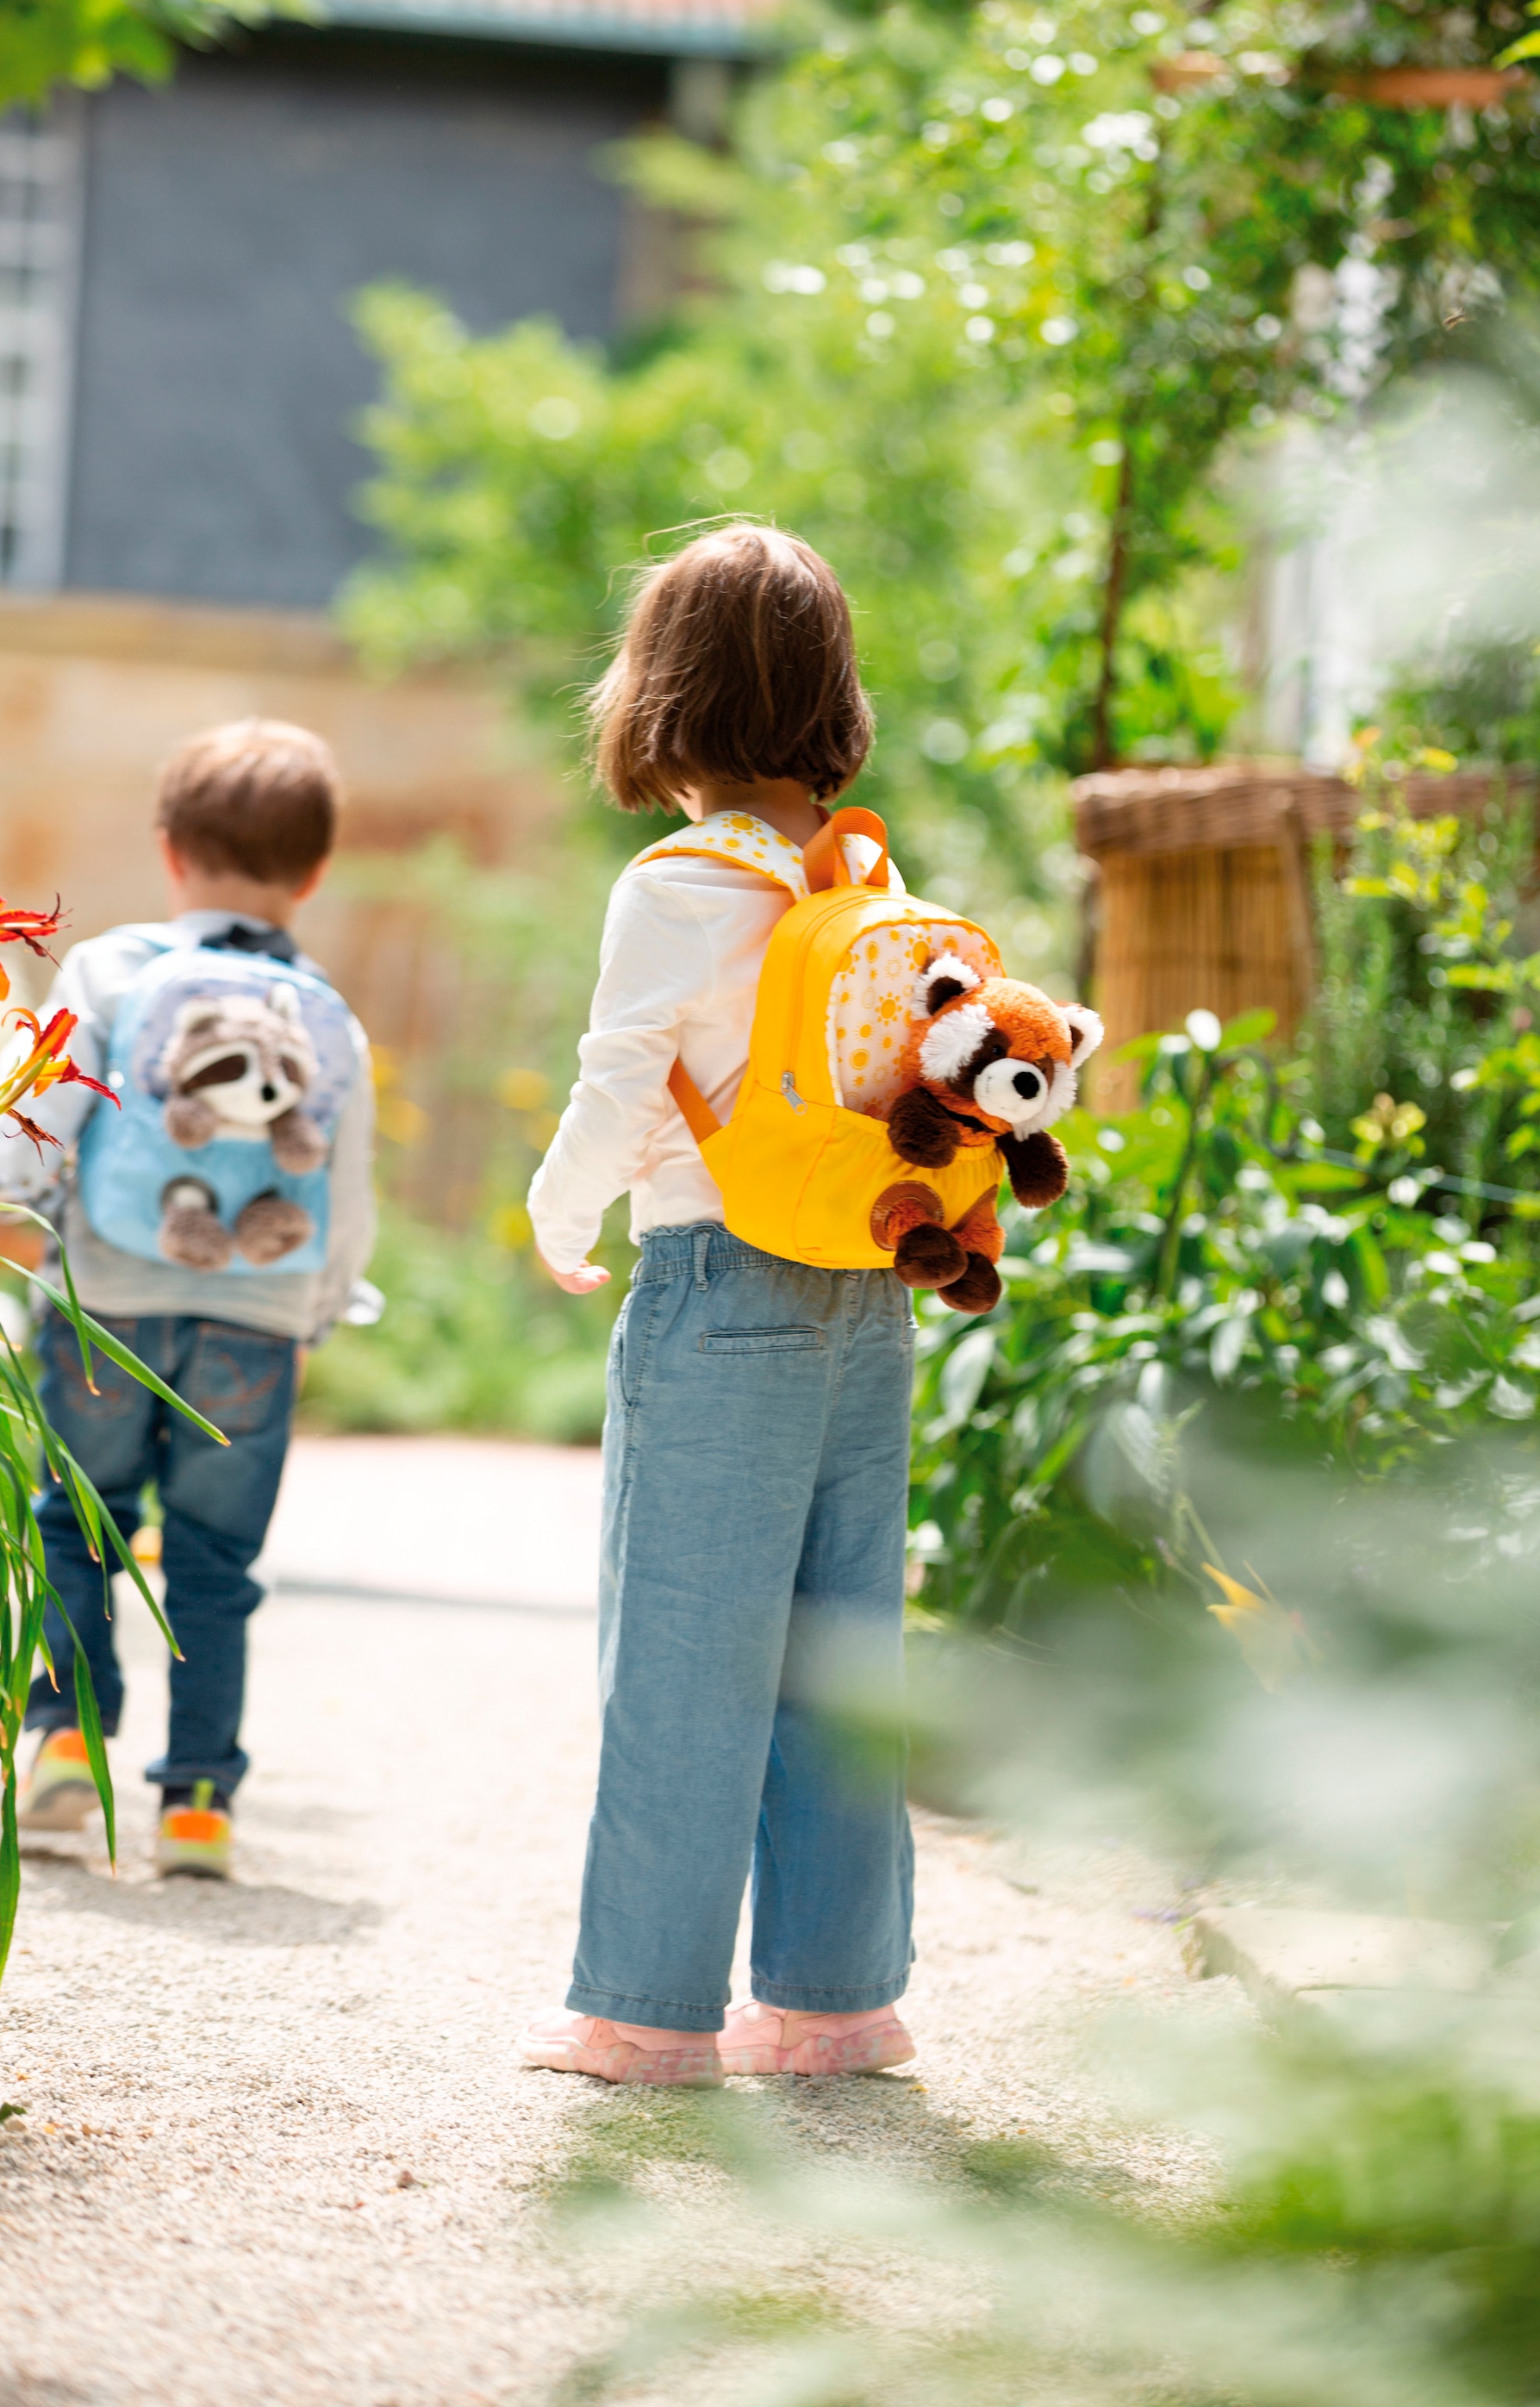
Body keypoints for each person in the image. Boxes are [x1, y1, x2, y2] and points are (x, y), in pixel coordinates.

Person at [521, 524, 919, 2087]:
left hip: (718, 1282)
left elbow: (618, 1079)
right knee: (841, 1651)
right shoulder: (865, 878)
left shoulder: (683, 886)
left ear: (660, 696)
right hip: (864, 1299)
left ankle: (644, 2013)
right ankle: (838, 2009)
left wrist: (561, 1221)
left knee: (686, 1650)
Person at [3, 718, 377, 1877]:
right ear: (314, 876)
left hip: (106, 1299)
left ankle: (65, 1743)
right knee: (215, 1563)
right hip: (255, 1322)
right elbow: (347, 1191)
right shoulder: (330, 1017)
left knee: (79, 1526)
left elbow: (51, 1113)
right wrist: (315, 1312)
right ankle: (199, 1805)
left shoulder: (116, 970)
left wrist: (9, 1202)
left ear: (170, 849)